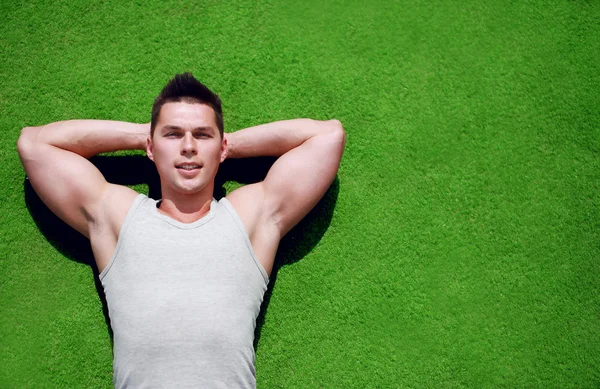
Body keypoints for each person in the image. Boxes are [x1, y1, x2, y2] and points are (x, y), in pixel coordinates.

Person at [16, 72, 346, 388]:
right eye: (173, 135)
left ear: (221, 147)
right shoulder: (119, 218)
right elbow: (33, 144)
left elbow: (327, 137)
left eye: (201, 135)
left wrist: (223, 145)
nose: (188, 146)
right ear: (150, 146)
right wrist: (143, 135)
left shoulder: (248, 220)